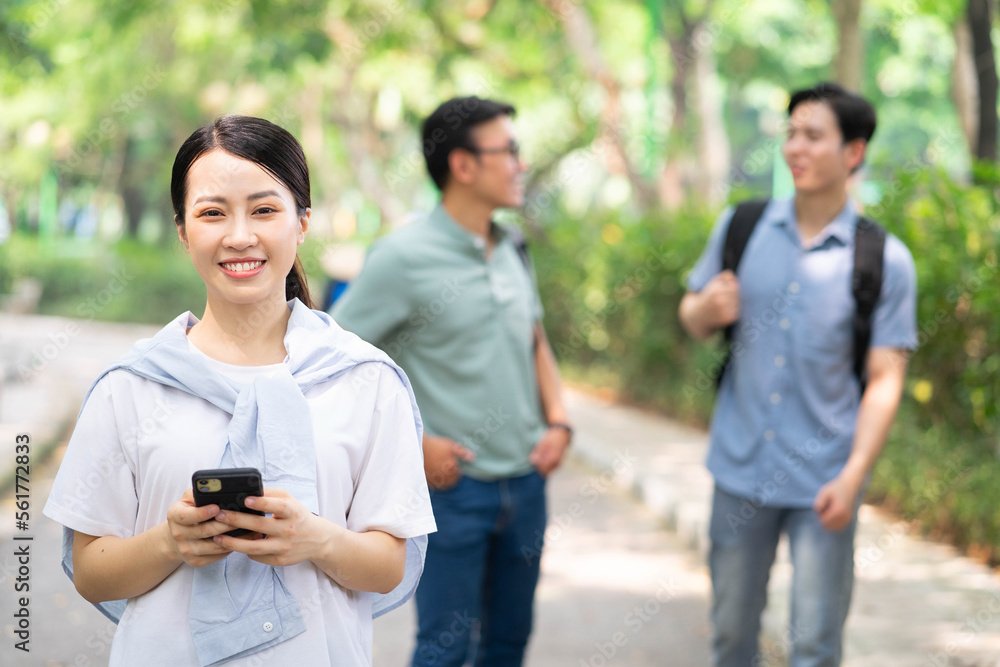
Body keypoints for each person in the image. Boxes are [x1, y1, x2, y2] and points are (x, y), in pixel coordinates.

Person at [42, 115, 436, 666]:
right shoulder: (130, 386)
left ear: (301, 223)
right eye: (212, 213)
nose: (240, 236)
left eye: (265, 209)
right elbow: (91, 573)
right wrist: (168, 543)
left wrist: (317, 540)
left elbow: (390, 564)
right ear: (183, 230)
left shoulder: (365, 380)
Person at [678, 82, 917, 666]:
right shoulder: (743, 225)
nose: (794, 148)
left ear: (853, 152)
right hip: (740, 471)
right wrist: (704, 310)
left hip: (824, 482)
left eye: (813, 135)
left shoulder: (883, 260)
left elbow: (886, 377)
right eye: (790, 134)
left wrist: (855, 474)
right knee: (731, 635)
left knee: (814, 643)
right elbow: (690, 314)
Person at [331, 96, 572, 667]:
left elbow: (534, 338)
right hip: (453, 492)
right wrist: (413, 447)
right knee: (444, 650)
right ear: (463, 166)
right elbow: (335, 366)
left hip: (527, 484)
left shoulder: (512, 244)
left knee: (508, 645)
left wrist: (559, 421)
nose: (519, 164)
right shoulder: (402, 257)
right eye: (508, 151)